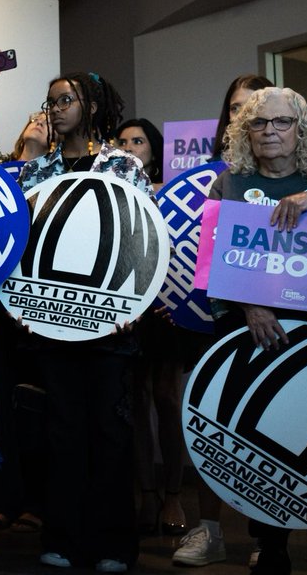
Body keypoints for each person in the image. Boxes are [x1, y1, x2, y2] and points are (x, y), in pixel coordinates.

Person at [206, 86, 307, 575]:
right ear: (245, 132)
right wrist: (251, 306)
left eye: (282, 122)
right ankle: (269, 545)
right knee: (266, 436)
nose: (271, 131)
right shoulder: (229, 184)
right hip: (256, 334)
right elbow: (214, 258)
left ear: (300, 129)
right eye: (260, 123)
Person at [18, 71, 148, 573]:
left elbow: (143, 240)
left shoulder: (121, 165)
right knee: (63, 431)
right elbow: (19, 244)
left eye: (66, 99)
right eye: (50, 102)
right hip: (52, 321)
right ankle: (64, 537)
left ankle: (114, 543)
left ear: (90, 105)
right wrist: (24, 308)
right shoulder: (38, 171)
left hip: (113, 326)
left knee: (110, 433)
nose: (56, 108)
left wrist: (129, 308)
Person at [175, 73, 273, 568]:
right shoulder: (220, 180)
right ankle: (208, 530)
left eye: (253, 108)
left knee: (269, 428)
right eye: (235, 108)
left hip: (287, 326)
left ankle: (265, 539)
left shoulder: (306, 173)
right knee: (214, 423)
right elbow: (214, 257)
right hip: (228, 321)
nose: (243, 117)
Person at [113, 117, 191, 537]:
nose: (129, 147)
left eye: (137, 141)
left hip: (168, 310)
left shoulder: (173, 194)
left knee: (167, 398)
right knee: (137, 400)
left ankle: (175, 493)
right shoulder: (113, 193)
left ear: (154, 151)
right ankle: (147, 493)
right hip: (130, 310)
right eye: (122, 141)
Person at [210, 74, 273, 162]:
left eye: (251, 107)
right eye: (235, 109)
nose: (241, 116)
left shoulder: (289, 168)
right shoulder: (214, 172)